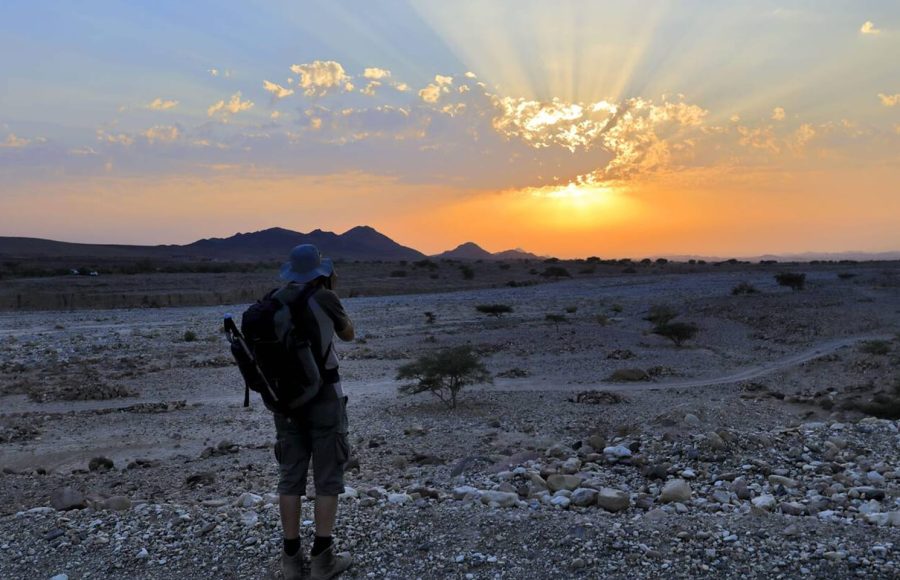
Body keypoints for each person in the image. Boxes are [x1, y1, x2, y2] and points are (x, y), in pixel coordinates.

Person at [274, 244, 354, 580]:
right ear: (320, 272)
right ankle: (323, 558)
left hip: (285, 401)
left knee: (290, 477)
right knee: (327, 477)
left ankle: (290, 559)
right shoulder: (325, 298)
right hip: (323, 398)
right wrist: (331, 291)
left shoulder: (274, 299)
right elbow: (348, 334)